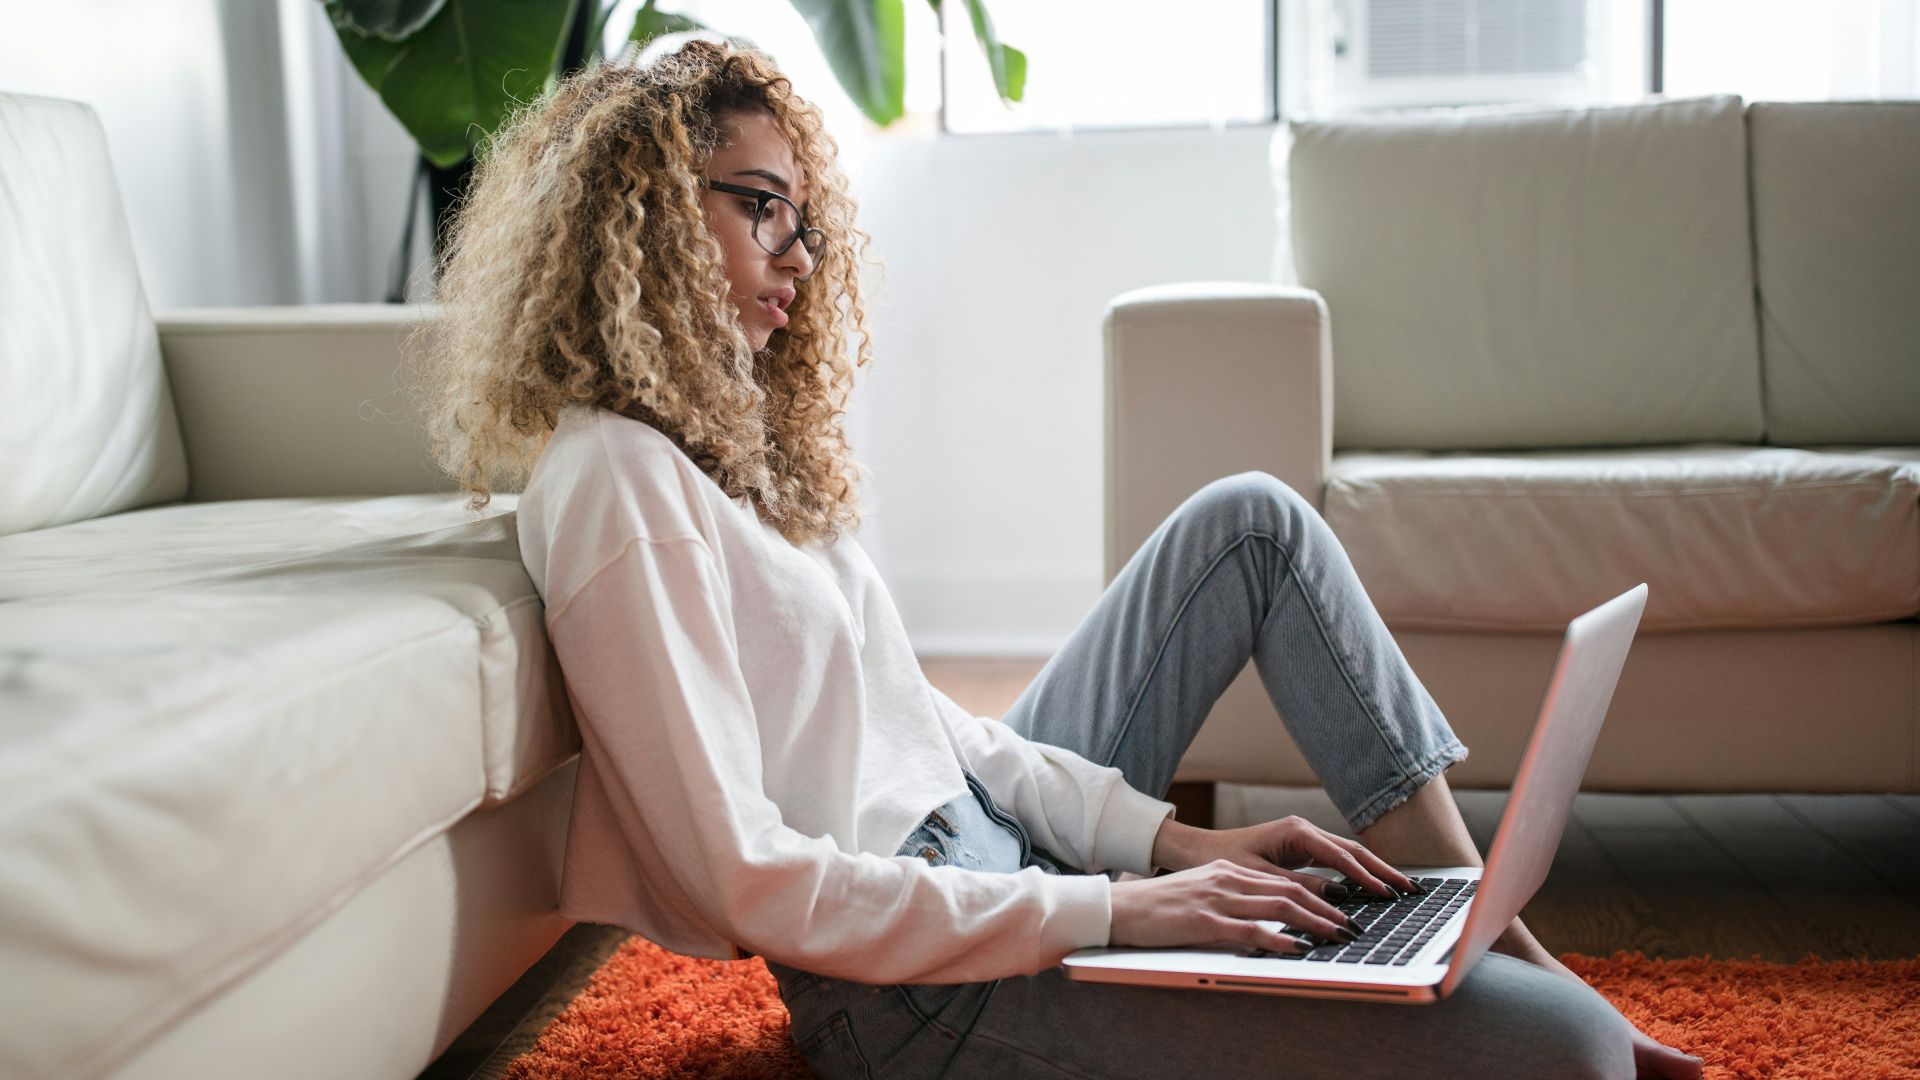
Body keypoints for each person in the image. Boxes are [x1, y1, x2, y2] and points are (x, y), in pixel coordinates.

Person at [408, 36, 1704, 1080]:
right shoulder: (613, 483)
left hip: (997, 864)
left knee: (1251, 519)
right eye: (761, 209)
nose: (798, 255)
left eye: (804, 217)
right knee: (1571, 1057)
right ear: (639, 215)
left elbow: (930, 730)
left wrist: (1158, 848)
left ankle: (1481, 928)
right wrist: (1109, 911)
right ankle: (1519, 983)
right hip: (908, 995)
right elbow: (740, 874)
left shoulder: (739, 451)